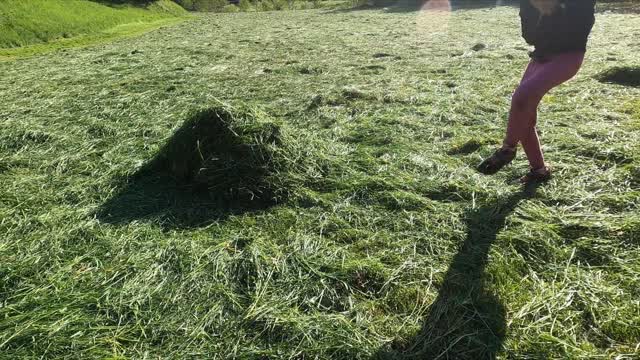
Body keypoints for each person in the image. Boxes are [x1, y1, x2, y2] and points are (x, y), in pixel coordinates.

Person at [477, 0, 597, 183]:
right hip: (540, 56)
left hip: (568, 56)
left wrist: (555, 8)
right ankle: (539, 170)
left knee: (521, 98)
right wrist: (540, 10)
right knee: (524, 114)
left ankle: (507, 149)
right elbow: (529, 37)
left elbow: (580, 27)